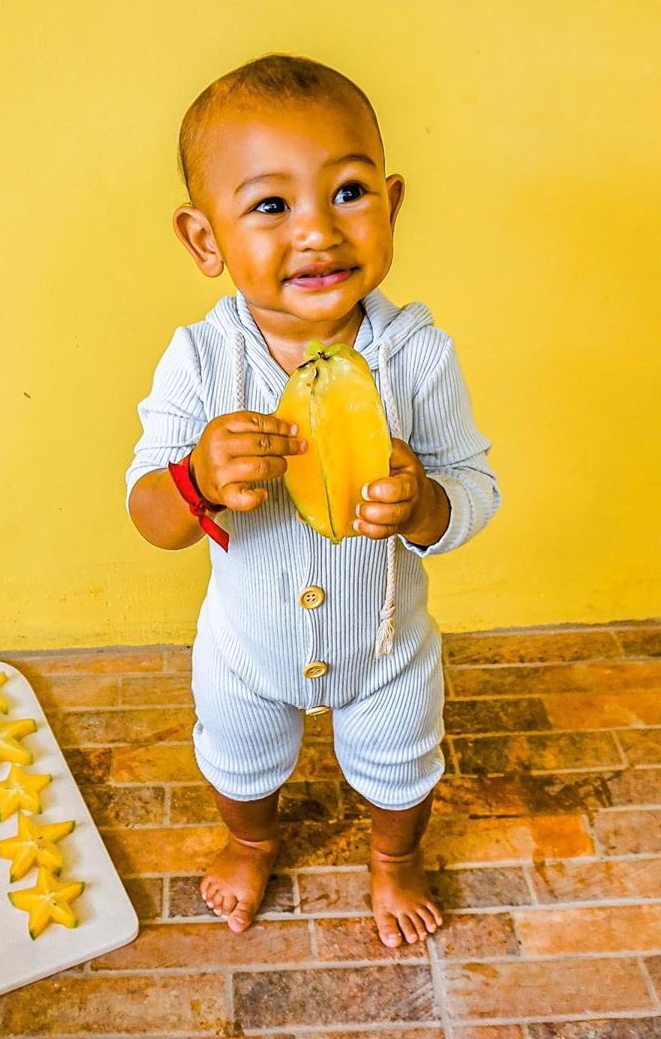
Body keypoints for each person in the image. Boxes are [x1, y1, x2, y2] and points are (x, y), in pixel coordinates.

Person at [125, 53, 501, 947]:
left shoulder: (419, 356)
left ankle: (394, 861)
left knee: (403, 766)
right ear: (204, 239)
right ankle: (250, 841)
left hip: (385, 644)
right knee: (238, 758)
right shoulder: (203, 361)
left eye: (349, 192)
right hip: (249, 643)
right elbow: (149, 515)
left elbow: (477, 490)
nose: (318, 232)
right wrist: (197, 481)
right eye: (270, 205)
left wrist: (424, 507)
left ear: (392, 204)